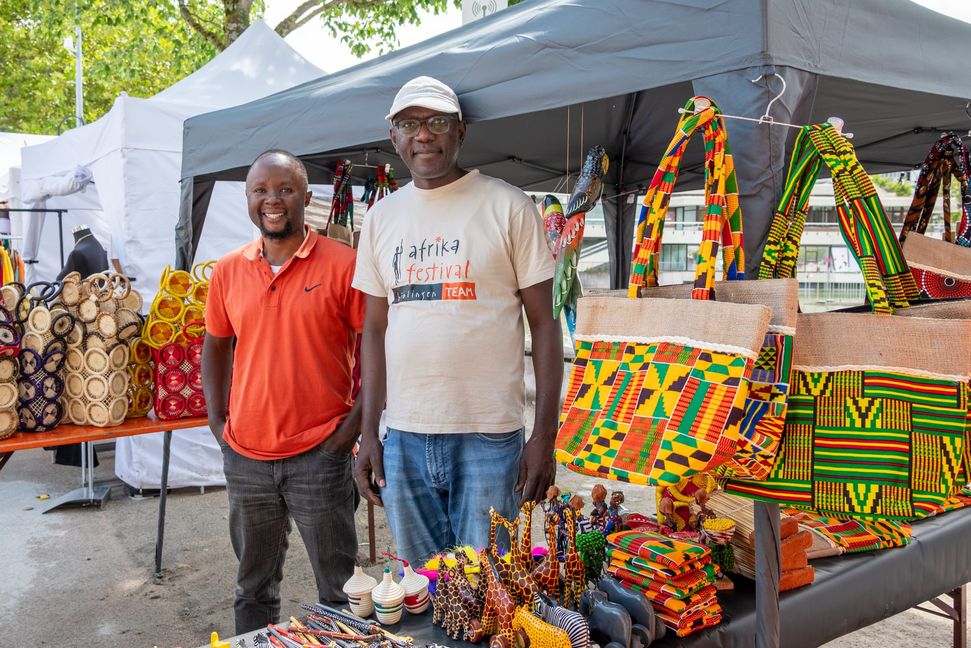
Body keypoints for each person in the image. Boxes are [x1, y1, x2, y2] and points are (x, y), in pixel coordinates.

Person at [352, 76, 563, 565]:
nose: (423, 134)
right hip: (403, 437)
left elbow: (545, 324)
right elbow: (374, 330)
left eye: (437, 122)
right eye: (409, 123)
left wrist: (544, 437)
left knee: (491, 592)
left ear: (461, 132)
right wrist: (369, 433)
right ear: (394, 138)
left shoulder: (508, 206)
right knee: (424, 592)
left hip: (489, 437)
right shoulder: (381, 219)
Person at [202, 149, 364, 634]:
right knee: (252, 587)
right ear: (249, 200)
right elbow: (215, 344)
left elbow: (380, 351)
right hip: (247, 456)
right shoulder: (228, 270)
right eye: (260, 191)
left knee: (339, 587)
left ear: (306, 198)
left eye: (284, 190)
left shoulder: (344, 264)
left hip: (321, 454)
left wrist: (350, 431)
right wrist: (217, 421)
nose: (272, 201)